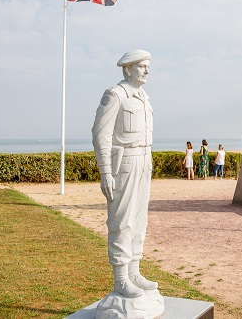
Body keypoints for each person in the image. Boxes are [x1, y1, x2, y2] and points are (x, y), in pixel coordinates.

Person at [92, 49, 159, 298]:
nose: (147, 71)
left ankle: (134, 271)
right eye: (142, 66)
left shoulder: (143, 97)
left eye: (147, 66)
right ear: (128, 69)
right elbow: (101, 135)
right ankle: (121, 279)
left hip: (144, 161)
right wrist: (105, 172)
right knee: (122, 220)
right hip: (125, 163)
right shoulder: (115, 95)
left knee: (140, 218)